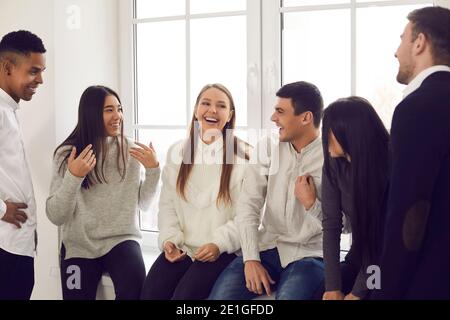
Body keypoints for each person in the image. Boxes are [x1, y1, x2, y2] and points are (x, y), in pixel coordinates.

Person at [209, 81, 325, 300]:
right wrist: (251, 258)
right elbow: (248, 205)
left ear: (306, 117)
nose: (273, 118)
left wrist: (312, 204)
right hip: (267, 248)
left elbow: (345, 223)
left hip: (311, 255)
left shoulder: (331, 155)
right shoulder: (267, 147)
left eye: (280, 112)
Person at [46, 85, 160, 300]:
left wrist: (153, 170)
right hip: (78, 246)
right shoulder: (66, 154)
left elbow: (143, 204)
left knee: (135, 292)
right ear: (91, 114)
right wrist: (74, 176)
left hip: (121, 240)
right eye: (109, 110)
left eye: (119, 109)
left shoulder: (131, 150)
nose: (118, 116)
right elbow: (56, 215)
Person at [140, 83, 250, 300]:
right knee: (150, 293)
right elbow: (167, 205)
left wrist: (218, 244)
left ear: (230, 115)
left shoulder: (244, 157)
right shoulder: (177, 151)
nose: (212, 110)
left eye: (221, 106)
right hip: (183, 248)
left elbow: (246, 217)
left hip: (221, 252)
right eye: (206, 103)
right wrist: (170, 240)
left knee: (185, 297)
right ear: (196, 110)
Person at [372, 6, 450, 300]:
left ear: (420, 43)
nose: (396, 51)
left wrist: (384, 291)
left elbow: (410, 212)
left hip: (428, 279)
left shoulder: (418, 107)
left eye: (402, 38)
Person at [320, 97, 389, 300]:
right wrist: (332, 287)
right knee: (320, 293)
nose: (324, 137)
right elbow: (331, 224)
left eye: (329, 130)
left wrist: (357, 293)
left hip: (385, 261)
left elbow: (381, 240)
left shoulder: (389, 166)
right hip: (359, 257)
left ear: (349, 132)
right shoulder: (334, 164)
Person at [0, 30, 46, 300]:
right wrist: (2, 209)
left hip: (18, 245)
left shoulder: (10, 111)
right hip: (5, 247)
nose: (40, 79)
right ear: (7, 67)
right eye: (33, 71)